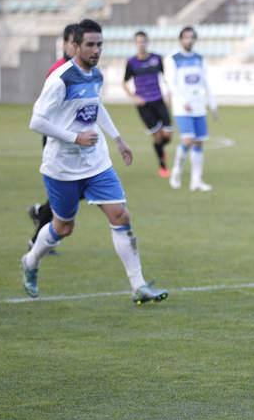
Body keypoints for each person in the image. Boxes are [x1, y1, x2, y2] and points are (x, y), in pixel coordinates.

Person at [22, 19, 169, 305]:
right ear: (75, 45)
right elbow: (36, 121)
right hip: (62, 167)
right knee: (63, 227)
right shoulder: (61, 78)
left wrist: (117, 139)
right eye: (90, 44)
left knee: (121, 216)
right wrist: (73, 137)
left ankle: (138, 285)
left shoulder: (96, 76)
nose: (96, 50)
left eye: (99, 44)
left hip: (96, 163)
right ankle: (30, 261)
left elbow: (96, 107)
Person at [27, 23, 79, 253]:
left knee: (72, 192)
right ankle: (36, 240)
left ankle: (40, 213)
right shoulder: (58, 71)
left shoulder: (82, 71)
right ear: (66, 44)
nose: (79, 48)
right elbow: (43, 114)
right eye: (74, 43)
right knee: (67, 193)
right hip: (58, 138)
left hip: (75, 140)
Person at [164, 26, 217, 191]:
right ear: (181, 40)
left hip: (198, 105)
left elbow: (205, 82)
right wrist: (182, 100)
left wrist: (212, 104)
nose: (189, 40)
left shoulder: (200, 58)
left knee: (199, 142)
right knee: (187, 140)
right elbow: (171, 83)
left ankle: (196, 181)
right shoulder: (173, 59)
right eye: (186, 37)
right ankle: (176, 172)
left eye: (191, 37)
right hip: (182, 107)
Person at [122, 31, 173, 178]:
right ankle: (162, 165)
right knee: (157, 137)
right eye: (138, 41)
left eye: (143, 41)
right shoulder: (131, 62)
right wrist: (134, 97)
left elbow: (165, 78)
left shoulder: (157, 59)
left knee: (167, 136)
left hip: (159, 100)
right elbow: (124, 83)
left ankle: (161, 149)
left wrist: (168, 94)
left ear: (147, 42)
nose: (141, 44)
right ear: (135, 44)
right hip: (144, 105)